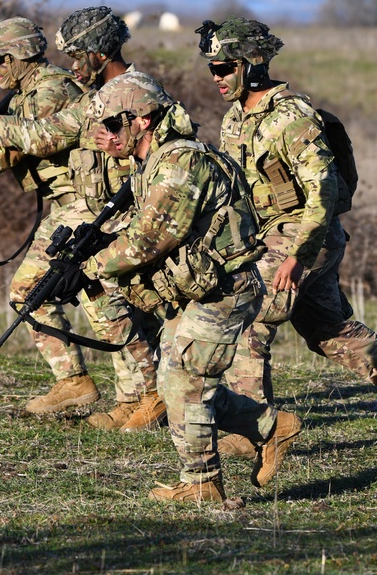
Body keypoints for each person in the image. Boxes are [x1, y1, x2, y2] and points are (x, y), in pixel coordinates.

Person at [193, 17, 377, 457]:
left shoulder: (292, 118)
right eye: (212, 70)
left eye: (224, 68)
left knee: (247, 314)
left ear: (252, 66)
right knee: (330, 333)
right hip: (270, 236)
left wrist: (298, 256)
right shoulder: (235, 117)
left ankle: (254, 429)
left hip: (304, 236)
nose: (217, 78)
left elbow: (323, 191)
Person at [0, 9, 165, 430]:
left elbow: (32, 140)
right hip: (88, 207)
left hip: (106, 208)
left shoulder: (119, 93)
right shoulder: (97, 95)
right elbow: (42, 135)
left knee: (107, 302)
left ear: (96, 51)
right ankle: (120, 394)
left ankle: (146, 396)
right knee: (82, 298)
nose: (69, 65)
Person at [68, 71, 303, 502]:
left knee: (183, 383)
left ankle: (202, 483)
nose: (107, 135)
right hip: (204, 290)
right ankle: (272, 426)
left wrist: (93, 266)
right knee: (183, 379)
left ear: (143, 120)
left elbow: (150, 238)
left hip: (226, 290)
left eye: (114, 124)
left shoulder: (181, 162)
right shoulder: (152, 163)